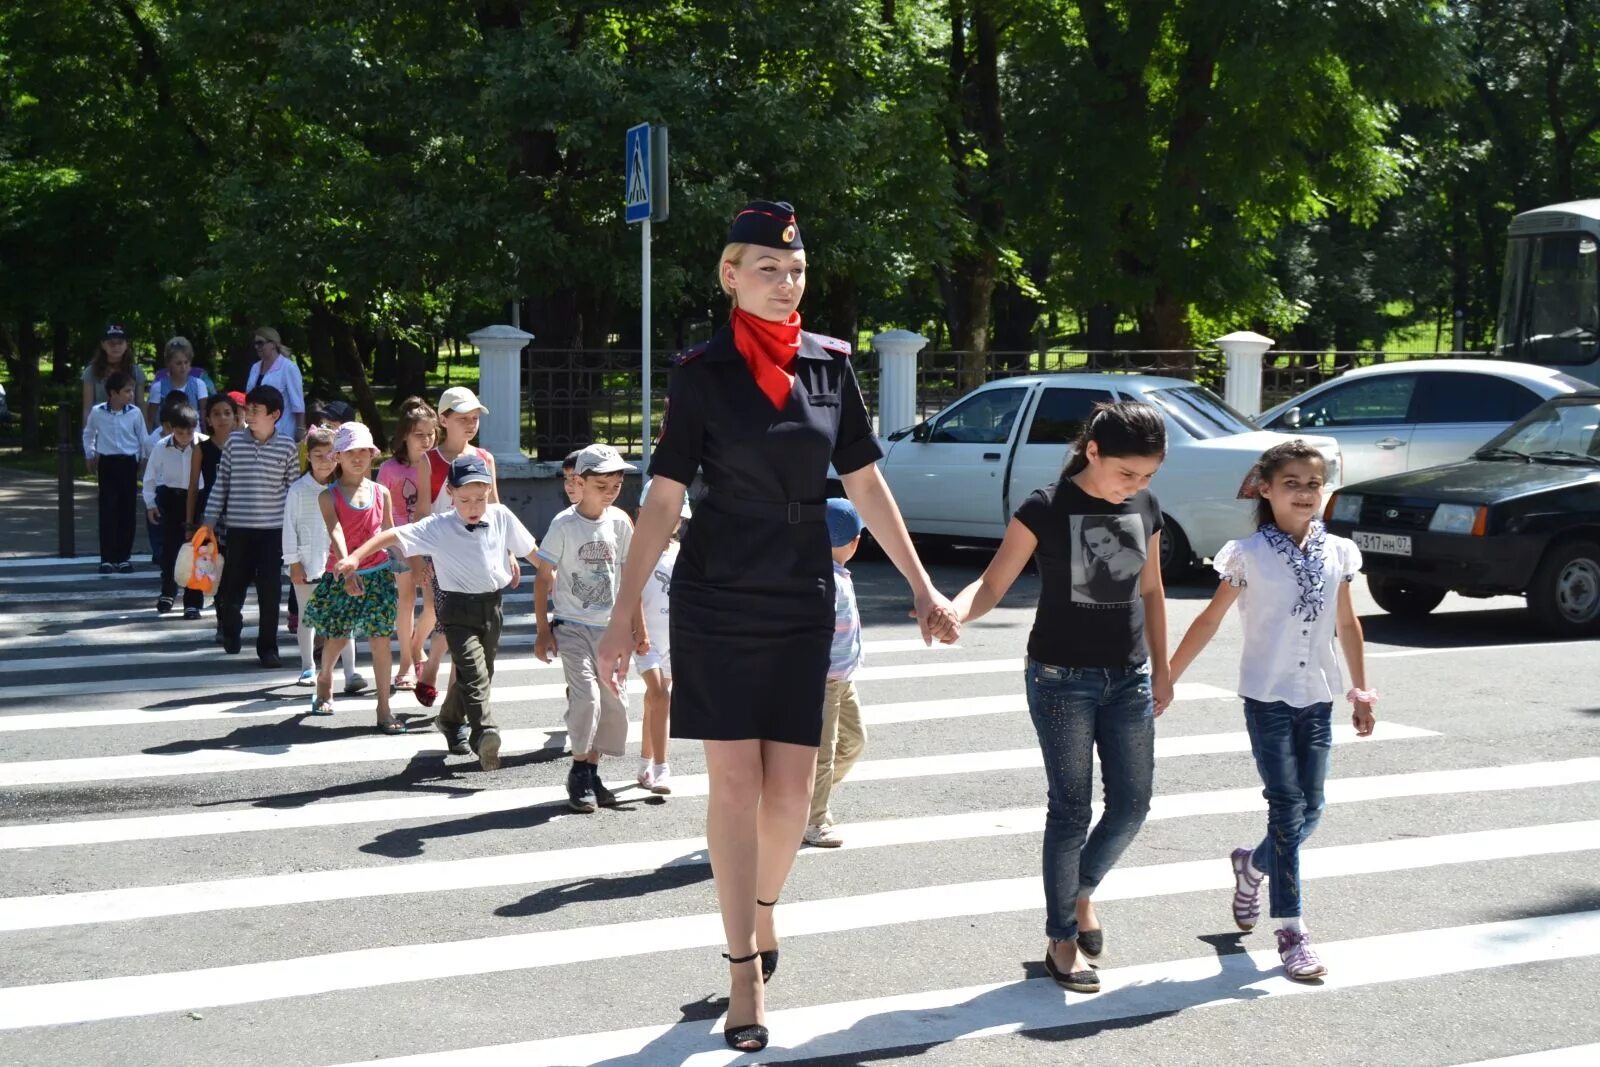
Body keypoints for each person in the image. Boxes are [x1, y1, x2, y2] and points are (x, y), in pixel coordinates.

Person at [593, 201, 960, 1054]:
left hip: (802, 588)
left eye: (794, 270)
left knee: (792, 794)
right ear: (730, 274)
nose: (785, 281)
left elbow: (867, 485)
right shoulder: (700, 372)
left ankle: (762, 911)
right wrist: (621, 615)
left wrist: (922, 586)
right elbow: (663, 498)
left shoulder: (831, 366)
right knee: (733, 787)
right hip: (718, 588)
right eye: (767, 267)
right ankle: (741, 972)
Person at [951, 400, 1172, 996]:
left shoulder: (1145, 507)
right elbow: (994, 581)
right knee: (1071, 809)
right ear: (1093, 451)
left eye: (1148, 476)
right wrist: (956, 611)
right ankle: (1061, 939)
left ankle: (1080, 890)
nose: (1139, 486)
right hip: (1060, 678)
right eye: (1128, 473)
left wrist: (1165, 668)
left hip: (1129, 677)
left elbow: (1151, 591)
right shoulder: (1044, 508)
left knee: (1132, 804)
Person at [1168, 439, 1376, 982]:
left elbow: (1347, 625)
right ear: (1266, 489)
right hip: (1267, 697)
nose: (1306, 493)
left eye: (1314, 484)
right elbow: (1211, 620)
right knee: (1286, 809)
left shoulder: (1339, 553)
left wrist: (1361, 691)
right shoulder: (1248, 554)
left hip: (1318, 696)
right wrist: (1168, 676)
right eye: (1293, 484)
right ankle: (1292, 930)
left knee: (1314, 808)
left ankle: (1252, 864)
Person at [336, 454, 541, 770]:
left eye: (480, 498)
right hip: (456, 610)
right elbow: (391, 536)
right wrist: (354, 557)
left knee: (483, 672)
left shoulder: (501, 515)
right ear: (450, 491)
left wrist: (554, 575)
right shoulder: (439, 525)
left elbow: (534, 554)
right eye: (464, 499)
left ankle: (449, 718)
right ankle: (485, 732)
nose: (473, 506)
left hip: (492, 607)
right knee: (472, 672)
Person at [535, 443, 640, 813]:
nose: (611, 492)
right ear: (580, 482)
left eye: (616, 484)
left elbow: (630, 578)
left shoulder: (620, 522)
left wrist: (635, 628)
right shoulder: (564, 524)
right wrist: (543, 630)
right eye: (602, 485)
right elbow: (542, 575)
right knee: (588, 699)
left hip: (610, 629)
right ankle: (579, 770)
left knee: (613, 703)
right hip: (572, 626)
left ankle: (592, 769)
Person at [302, 423, 401, 732]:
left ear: (372, 455)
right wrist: (348, 566)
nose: (358, 458)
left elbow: (390, 533)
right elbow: (336, 529)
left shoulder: (381, 492)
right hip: (344, 573)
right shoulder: (328, 496)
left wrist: (410, 561)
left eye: (364, 452)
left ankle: (384, 708)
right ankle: (325, 675)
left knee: (381, 640)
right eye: (350, 452)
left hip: (379, 575)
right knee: (341, 634)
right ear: (339, 457)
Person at [413, 386, 503, 707]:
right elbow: (422, 511)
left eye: (475, 418)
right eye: (463, 418)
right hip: (441, 556)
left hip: (478, 556)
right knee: (447, 617)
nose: (470, 424)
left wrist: (503, 553)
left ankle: (453, 697)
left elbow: (495, 509)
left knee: (468, 626)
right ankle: (433, 668)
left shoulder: (484, 458)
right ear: (443, 419)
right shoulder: (430, 461)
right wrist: (420, 559)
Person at [203, 384, 300, 666]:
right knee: (232, 587)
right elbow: (221, 485)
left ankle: (268, 648)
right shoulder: (234, 443)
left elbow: (293, 490)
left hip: (273, 533)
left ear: (275, 414)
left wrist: (295, 531)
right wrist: (207, 523)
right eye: (248, 410)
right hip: (238, 530)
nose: (249, 415)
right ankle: (230, 627)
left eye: (256, 411)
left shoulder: (287, 447)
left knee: (270, 593)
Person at [804, 498, 867, 848]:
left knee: (854, 742)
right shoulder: (823, 579)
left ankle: (805, 797)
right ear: (855, 542)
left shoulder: (838, 575)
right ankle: (812, 819)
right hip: (822, 681)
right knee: (824, 752)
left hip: (843, 677)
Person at [282, 425, 362, 691]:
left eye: (331, 455)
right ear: (308, 457)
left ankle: (351, 672)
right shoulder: (298, 490)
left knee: (345, 618)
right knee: (307, 617)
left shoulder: (343, 489)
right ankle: (307, 667)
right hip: (307, 562)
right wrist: (293, 562)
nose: (325, 461)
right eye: (318, 455)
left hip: (339, 563)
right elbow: (288, 528)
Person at [378, 399, 438, 690]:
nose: (427, 441)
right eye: (419, 434)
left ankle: (416, 647)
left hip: (433, 541)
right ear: (404, 435)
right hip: (400, 541)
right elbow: (382, 515)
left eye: (431, 434)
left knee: (434, 606)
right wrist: (394, 544)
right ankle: (405, 664)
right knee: (406, 600)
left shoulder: (438, 465)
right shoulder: (389, 469)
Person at [634, 477, 689, 795]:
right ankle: (661, 768)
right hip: (646, 640)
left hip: (674, 640)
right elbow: (631, 596)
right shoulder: (639, 550)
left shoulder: (682, 552)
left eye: (677, 516)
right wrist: (638, 631)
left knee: (655, 701)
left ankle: (644, 764)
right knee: (660, 697)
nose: (672, 521)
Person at [83, 371, 149, 574]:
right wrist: (90, 454)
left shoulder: (135, 413)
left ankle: (124, 557)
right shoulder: (98, 412)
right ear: (113, 393)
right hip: (108, 463)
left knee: (127, 510)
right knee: (108, 509)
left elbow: (142, 437)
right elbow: (89, 433)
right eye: (126, 391)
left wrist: (144, 459)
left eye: (131, 390)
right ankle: (107, 557)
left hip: (128, 463)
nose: (131, 395)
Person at [143, 401, 205, 614]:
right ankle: (168, 590)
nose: (185, 437)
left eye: (190, 431)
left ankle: (193, 601)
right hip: (170, 498)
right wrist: (150, 503)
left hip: (197, 499)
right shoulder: (161, 446)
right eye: (180, 432)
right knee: (169, 550)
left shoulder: (203, 445)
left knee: (197, 551)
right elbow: (150, 477)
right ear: (170, 428)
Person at [184, 393, 241, 622]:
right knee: (214, 565)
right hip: (211, 514)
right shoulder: (202, 449)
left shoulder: (243, 445)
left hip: (240, 510)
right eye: (216, 414)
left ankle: (232, 614)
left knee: (236, 569)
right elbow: (193, 487)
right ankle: (221, 620)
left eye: (227, 413)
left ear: (236, 417)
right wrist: (190, 524)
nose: (222, 418)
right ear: (207, 419)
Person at [244, 327, 306, 440]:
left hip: (282, 429)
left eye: (260, 343)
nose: (257, 347)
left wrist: (300, 429)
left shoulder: (289, 367)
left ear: (273, 344)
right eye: (255, 344)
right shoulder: (255, 367)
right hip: (256, 429)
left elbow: (298, 402)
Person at [82, 323, 147, 426]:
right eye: (111, 343)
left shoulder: (136, 372)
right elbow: (87, 408)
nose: (116, 347)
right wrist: (88, 436)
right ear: (103, 345)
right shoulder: (91, 372)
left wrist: (145, 434)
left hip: (129, 428)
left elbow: (141, 404)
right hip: (102, 427)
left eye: (120, 342)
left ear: (126, 344)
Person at [146, 337, 211, 431]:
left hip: (193, 436)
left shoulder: (199, 385)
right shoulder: (158, 387)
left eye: (186, 362)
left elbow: (204, 415)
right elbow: (151, 419)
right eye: (178, 363)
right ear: (169, 364)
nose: (183, 367)